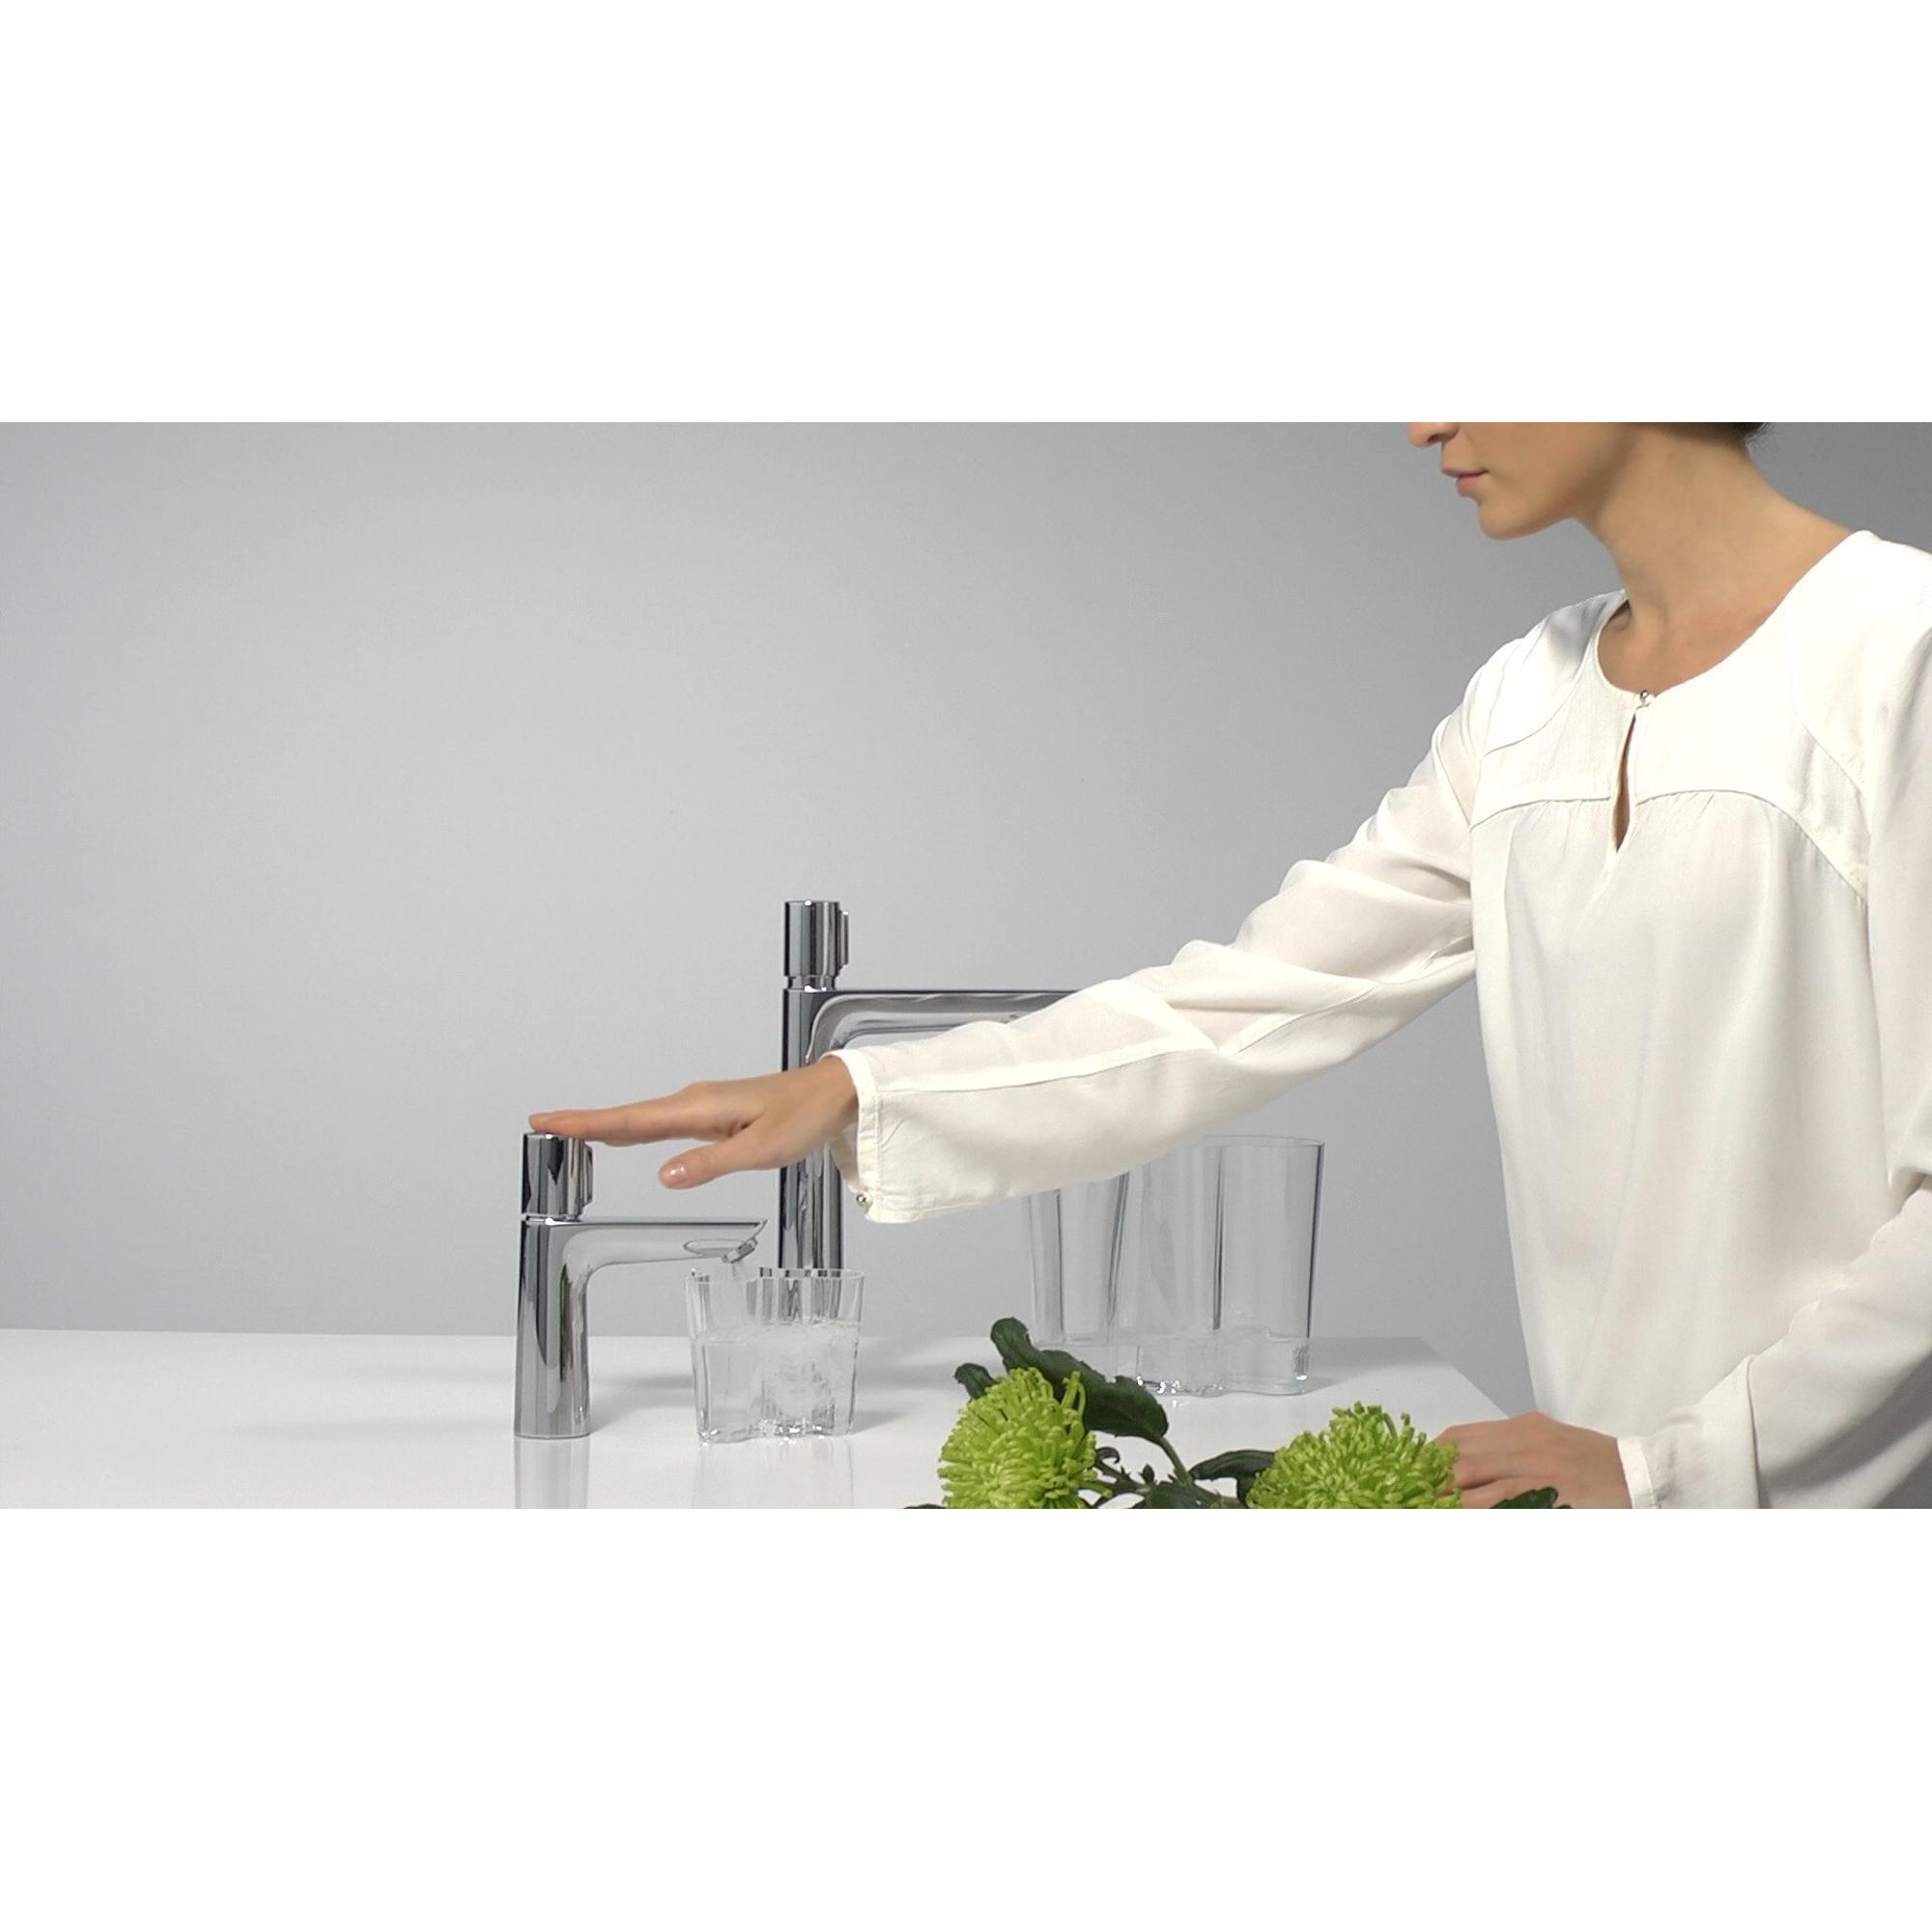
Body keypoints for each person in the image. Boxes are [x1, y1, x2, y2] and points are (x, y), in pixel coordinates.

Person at [531, 423, 1932, 1509]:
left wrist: (1679, 1468)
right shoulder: (1527, 700)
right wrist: (864, 1090)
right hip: (1599, 1505)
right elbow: (1245, 1005)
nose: (1422, 421)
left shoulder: (1899, 654)